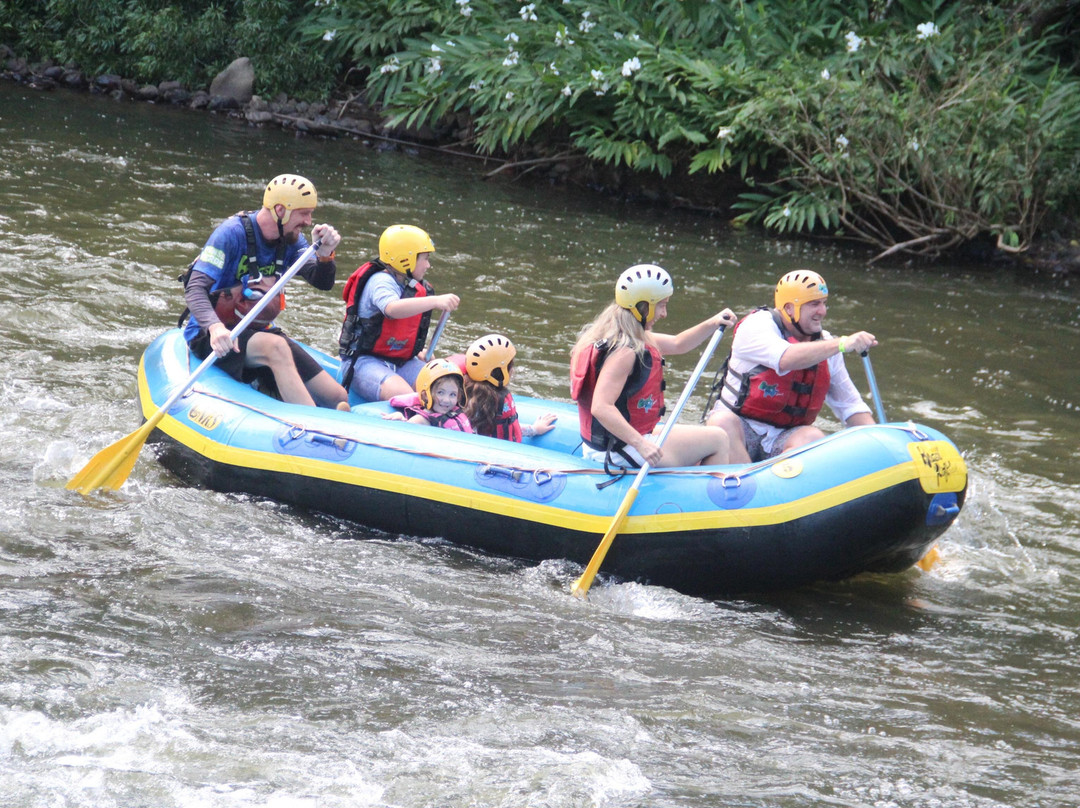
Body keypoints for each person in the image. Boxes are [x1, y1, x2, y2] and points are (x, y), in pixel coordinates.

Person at [182, 173, 347, 409]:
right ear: (280, 210)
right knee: (276, 347)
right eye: (304, 213)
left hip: (256, 330)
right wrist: (214, 327)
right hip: (214, 335)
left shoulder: (292, 240)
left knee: (336, 397)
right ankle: (311, 428)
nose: (309, 221)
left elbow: (322, 282)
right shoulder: (230, 234)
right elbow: (195, 288)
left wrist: (325, 255)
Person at [570, 264, 737, 469]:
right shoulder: (625, 352)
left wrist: (713, 323)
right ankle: (709, 498)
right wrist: (641, 444)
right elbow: (601, 407)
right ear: (643, 306)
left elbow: (678, 343)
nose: (664, 313)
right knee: (718, 438)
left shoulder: (622, 332)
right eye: (661, 305)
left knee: (694, 438)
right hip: (619, 451)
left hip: (615, 443)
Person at [705, 269, 877, 463]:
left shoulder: (826, 345)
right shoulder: (755, 326)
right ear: (788, 309)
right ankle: (746, 487)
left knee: (813, 437)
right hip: (741, 430)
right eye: (814, 304)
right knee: (721, 423)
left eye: (823, 303)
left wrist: (880, 443)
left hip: (785, 438)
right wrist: (841, 344)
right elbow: (785, 358)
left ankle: (785, 487)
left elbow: (851, 407)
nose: (823, 311)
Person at [337, 224, 460, 402]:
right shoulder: (380, 281)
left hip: (402, 362)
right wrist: (436, 301)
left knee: (445, 388)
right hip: (364, 362)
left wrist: (416, 350)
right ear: (405, 259)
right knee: (409, 397)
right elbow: (392, 309)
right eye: (425, 258)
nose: (428, 265)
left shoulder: (409, 284)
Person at [453, 334, 557, 441]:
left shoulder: (467, 393)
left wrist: (535, 429)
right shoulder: (491, 402)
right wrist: (534, 430)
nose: (513, 370)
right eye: (511, 366)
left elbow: (504, 426)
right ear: (503, 371)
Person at [382, 358, 473, 432]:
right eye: (440, 393)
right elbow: (404, 432)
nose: (446, 400)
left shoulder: (456, 411)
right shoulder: (422, 420)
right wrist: (401, 419)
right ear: (425, 395)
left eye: (452, 394)